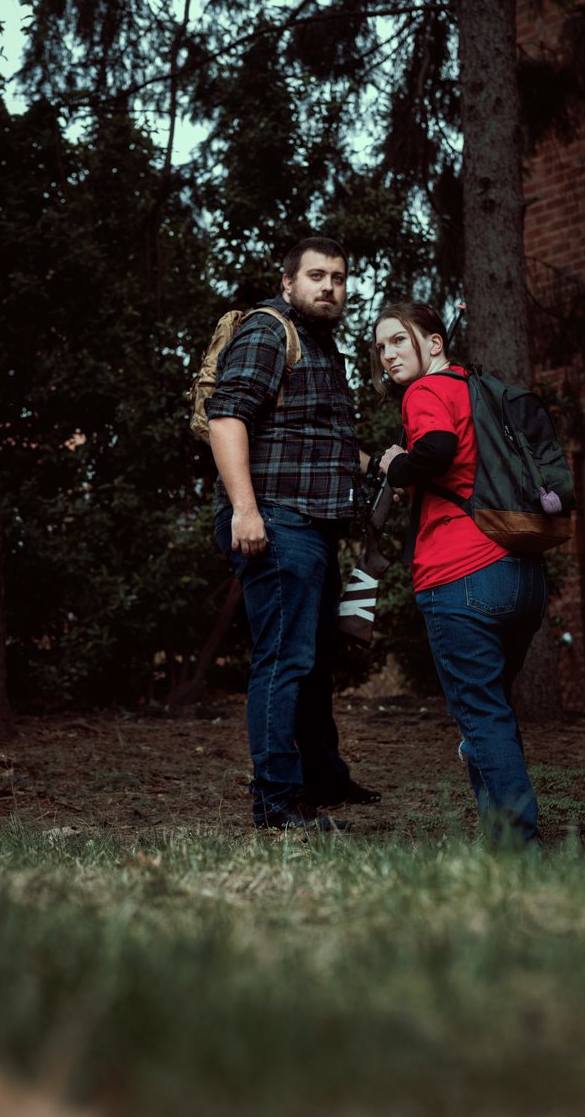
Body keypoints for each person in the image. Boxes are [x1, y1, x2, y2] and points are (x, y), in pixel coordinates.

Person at [207, 236, 381, 831]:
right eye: (316, 275)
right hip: (276, 519)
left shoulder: (321, 346)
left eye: (338, 277)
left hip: (313, 524)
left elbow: (318, 441)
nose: (328, 286)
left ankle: (322, 778)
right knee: (285, 659)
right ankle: (277, 802)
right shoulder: (268, 330)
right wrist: (244, 510)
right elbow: (227, 418)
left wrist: (381, 464)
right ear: (289, 282)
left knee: (313, 659)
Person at [373, 301, 545, 847]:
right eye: (380, 347)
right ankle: (500, 839)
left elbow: (437, 449)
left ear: (435, 343)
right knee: (492, 713)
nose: (388, 355)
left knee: (482, 717)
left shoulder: (425, 391)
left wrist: (394, 465)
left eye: (399, 340)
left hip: (461, 574)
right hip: (522, 573)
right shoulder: (479, 389)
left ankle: (518, 850)